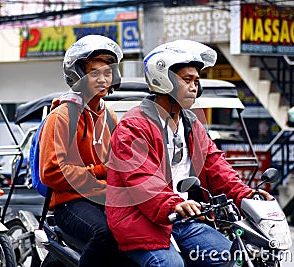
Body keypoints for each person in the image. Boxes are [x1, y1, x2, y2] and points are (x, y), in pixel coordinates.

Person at [105, 40, 273, 267]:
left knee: (236, 260)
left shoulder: (191, 124)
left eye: (196, 81)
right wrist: (172, 203)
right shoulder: (134, 126)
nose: (194, 87)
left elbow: (216, 166)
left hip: (184, 218)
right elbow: (142, 179)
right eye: (187, 80)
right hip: (140, 221)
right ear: (164, 80)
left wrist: (245, 195)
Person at [38, 35, 123, 267]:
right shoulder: (62, 116)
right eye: (94, 73)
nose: (103, 79)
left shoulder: (110, 117)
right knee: (104, 235)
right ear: (78, 75)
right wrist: (99, 172)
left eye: (107, 73)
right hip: (70, 202)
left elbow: (118, 163)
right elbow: (51, 173)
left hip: (105, 198)